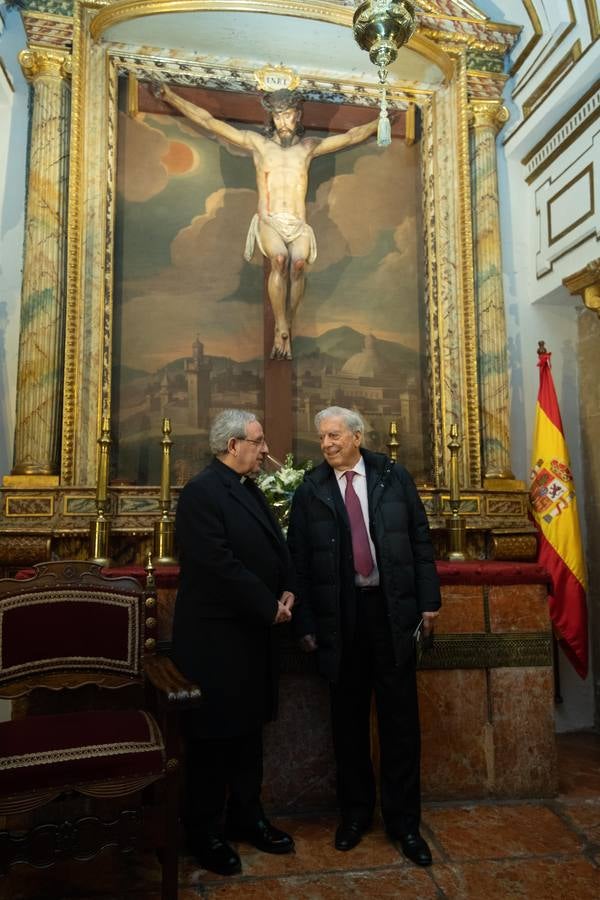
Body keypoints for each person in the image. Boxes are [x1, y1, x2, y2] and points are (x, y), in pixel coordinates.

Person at [287, 406, 441, 866]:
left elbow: (419, 539)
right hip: (341, 618)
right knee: (348, 724)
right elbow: (298, 561)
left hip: (391, 612)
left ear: (357, 436)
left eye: (334, 435)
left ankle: (404, 824)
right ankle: (354, 815)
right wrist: (306, 624)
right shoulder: (311, 487)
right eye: (322, 438)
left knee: (400, 724)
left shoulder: (394, 476)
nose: (327, 444)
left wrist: (429, 600)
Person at [155, 84, 379, 360]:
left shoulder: (308, 148)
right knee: (281, 260)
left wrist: (380, 121)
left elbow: (351, 137)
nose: (283, 122)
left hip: (298, 223)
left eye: (289, 115)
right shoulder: (257, 144)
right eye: (278, 116)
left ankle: (286, 323)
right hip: (270, 220)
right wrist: (169, 97)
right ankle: (281, 324)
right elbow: (208, 121)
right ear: (271, 117)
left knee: (298, 266)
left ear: (298, 116)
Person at [172, 409, 296, 876]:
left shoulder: (246, 488)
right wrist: (268, 605)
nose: (265, 450)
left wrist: (288, 587)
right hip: (217, 641)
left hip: (251, 640)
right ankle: (205, 831)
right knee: (212, 739)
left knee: (247, 735)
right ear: (233, 446)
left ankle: (248, 817)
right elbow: (217, 565)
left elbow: (275, 547)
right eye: (258, 441)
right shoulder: (202, 493)